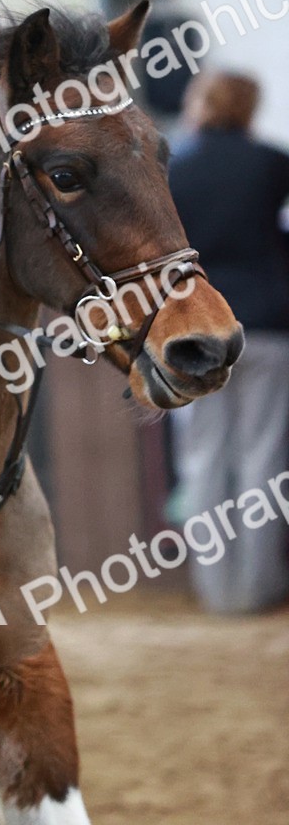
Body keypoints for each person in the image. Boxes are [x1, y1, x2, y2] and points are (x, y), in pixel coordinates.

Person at [169, 70, 289, 613]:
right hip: (266, 325)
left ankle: (217, 593)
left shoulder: (175, 169)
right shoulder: (271, 164)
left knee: (204, 458)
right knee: (264, 457)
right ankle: (258, 587)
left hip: (196, 332)